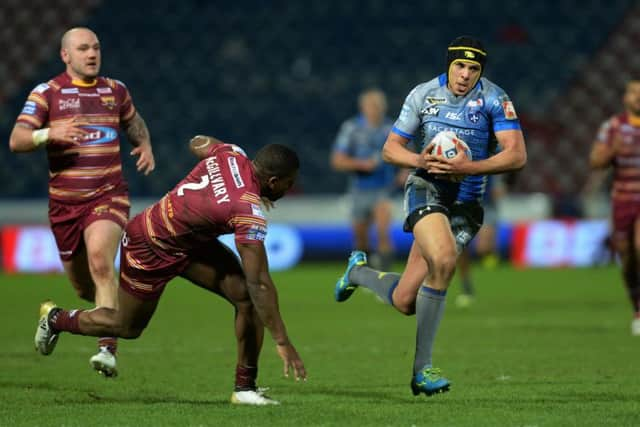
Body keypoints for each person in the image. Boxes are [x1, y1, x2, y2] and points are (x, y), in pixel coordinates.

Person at [34, 137, 307, 405]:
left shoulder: (231, 153)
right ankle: (56, 319)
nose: (289, 187)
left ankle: (244, 388)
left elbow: (198, 141)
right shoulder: (246, 209)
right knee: (126, 326)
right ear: (272, 181)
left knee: (245, 297)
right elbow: (259, 281)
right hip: (149, 245)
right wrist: (282, 341)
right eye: (288, 182)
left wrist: (215, 173)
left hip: (190, 243)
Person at [333, 36, 526, 396]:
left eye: (473, 69)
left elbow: (516, 155)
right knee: (443, 259)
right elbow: (391, 149)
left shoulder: (496, 99)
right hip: (427, 188)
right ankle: (422, 370)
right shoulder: (423, 94)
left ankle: (357, 272)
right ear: (449, 64)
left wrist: (471, 167)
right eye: (460, 66)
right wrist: (421, 160)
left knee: (406, 300)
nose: (465, 75)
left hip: (467, 204)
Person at [9, 27, 155, 377]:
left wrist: (145, 144)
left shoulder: (115, 90)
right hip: (64, 207)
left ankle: (107, 350)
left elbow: (133, 121)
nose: (92, 54)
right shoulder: (48, 93)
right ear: (65, 56)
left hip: (108, 196)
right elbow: (17, 139)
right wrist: (49, 133)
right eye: (83, 48)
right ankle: (57, 318)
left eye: (96, 47)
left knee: (101, 261)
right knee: (84, 286)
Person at [331, 89, 403, 271]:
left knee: (383, 232)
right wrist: (361, 165)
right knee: (361, 239)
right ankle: (366, 274)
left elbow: (408, 154)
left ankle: (385, 277)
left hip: (384, 189)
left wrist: (405, 171)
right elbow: (337, 160)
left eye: (377, 106)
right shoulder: (352, 128)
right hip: (359, 190)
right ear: (362, 107)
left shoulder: (393, 128)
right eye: (370, 106)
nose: (374, 110)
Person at [589, 79, 640, 336]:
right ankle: (636, 307)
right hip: (623, 200)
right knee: (627, 257)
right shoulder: (613, 127)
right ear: (625, 98)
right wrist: (612, 151)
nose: (638, 97)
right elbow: (595, 161)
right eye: (634, 93)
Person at [455, 174, 507, 308]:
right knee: (460, 249)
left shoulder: (485, 154)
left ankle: (493, 255)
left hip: (486, 204)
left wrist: (499, 186)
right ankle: (467, 286)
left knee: (482, 248)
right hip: (461, 205)